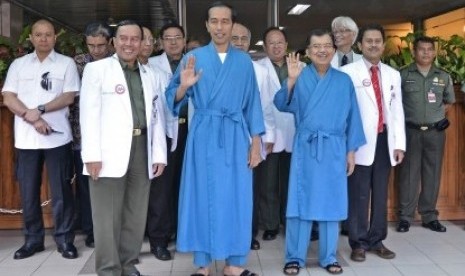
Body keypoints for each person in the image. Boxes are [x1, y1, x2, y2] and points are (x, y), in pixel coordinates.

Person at [165, 2, 264, 276]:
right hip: (204, 134)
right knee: (201, 194)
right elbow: (171, 100)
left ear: (232, 25)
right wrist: (184, 86)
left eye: (225, 21)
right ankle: (203, 264)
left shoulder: (244, 62)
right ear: (207, 25)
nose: (220, 27)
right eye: (214, 21)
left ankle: (233, 264)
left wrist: (256, 142)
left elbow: (252, 103)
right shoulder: (193, 58)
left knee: (237, 196)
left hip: (234, 134)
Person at [79, 20, 167, 276]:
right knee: (106, 217)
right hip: (107, 152)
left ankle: (128, 264)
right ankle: (108, 269)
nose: (129, 44)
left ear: (142, 43)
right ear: (114, 42)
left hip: (142, 147)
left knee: (135, 213)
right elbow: (88, 115)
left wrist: (159, 153)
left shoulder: (151, 74)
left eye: (134, 39)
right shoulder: (97, 70)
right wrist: (92, 156)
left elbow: (157, 116)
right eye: (124, 38)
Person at [276, 29, 365, 276]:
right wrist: (291, 80)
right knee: (299, 202)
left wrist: (350, 152)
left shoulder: (344, 80)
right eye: (316, 47)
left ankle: (328, 257)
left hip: (334, 148)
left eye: (327, 45)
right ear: (307, 52)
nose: (322, 50)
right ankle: (294, 257)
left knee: (331, 203)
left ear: (334, 50)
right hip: (306, 148)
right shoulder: (299, 76)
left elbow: (353, 118)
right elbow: (281, 104)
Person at [1, 19, 80, 259]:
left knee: (62, 192)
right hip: (26, 140)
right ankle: (32, 241)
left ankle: (65, 240)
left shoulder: (66, 64)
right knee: (28, 192)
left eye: (48, 35)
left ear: (55, 37)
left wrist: (42, 109)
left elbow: (68, 97)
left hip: (57, 138)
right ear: (31, 38)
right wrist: (33, 117)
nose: (43, 38)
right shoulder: (18, 64)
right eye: (38, 34)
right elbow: (8, 96)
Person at [340, 24, 406, 262]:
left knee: (380, 194)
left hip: (384, 141)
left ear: (383, 44)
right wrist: (347, 146)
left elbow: (396, 111)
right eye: (369, 41)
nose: (373, 44)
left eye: (378, 40)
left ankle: (377, 239)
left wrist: (399, 144)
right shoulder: (348, 72)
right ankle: (357, 242)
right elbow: (345, 112)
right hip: (359, 142)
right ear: (360, 45)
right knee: (358, 194)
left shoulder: (392, 74)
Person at [396, 36, 455, 233]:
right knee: (408, 175)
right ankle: (405, 216)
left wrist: (434, 116)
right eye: (422, 49)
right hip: (410, 131)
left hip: (435, 133)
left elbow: (448, 102)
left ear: (434, 52)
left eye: (430, 49)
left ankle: (429, 216)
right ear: (414, 52)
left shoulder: (443, 76)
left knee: (433, 174)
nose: (426, 53)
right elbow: (395, 103)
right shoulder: (403, 75)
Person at [231, 22, 276, 251]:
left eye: (243, 39)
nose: (239, 43)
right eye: (234, 38)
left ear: (249, 42)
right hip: (225, 141)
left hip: (252, 140)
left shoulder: (261, 71)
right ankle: (228, 235)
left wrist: (268, 136)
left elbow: (267, 107)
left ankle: (249, 235)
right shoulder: (217, 67)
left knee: (251, 190)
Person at [70, 21, 113, 249]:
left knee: (111, 185)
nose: (96, 50)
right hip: (82, 135)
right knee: (87, 187)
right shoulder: (78, 64)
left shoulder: (116, 63)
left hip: (113, 135)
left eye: (100, 45)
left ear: (109, 43)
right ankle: (91, 230)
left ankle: (112, 229)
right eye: (91, 45)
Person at [147, 22, 186, 261]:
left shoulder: (195, 61)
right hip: (163, 132)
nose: (173, 42)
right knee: (161, 189)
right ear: (161, 42)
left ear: (184, 40)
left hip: (190, 131)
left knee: (186, 185)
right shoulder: (151, 66)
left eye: (177, 37)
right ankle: (159, 239)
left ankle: (183, 233)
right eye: (168, 38)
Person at [255, 27, 298, 242]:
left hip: (293, 131)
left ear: (286, 44)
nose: (276, 46)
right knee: (268, 182)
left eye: (280, 42)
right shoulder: (258, 68)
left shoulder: (301, 68)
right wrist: (267, 134)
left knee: (291, 181)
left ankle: (288, 220)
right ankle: (271, 224)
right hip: (269, 132)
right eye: (271, 43)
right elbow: (259, 105)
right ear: (264, 46)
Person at [330, 15, 363, 236]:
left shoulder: (363, 60)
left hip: (357, 125)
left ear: (354, 35)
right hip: (332, 127)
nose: (339, 35)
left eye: (344, 31)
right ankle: (329, 221)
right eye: (336, 31)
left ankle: (350, 224)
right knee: (332, 177)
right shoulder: (324, 58)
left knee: (355, 179)